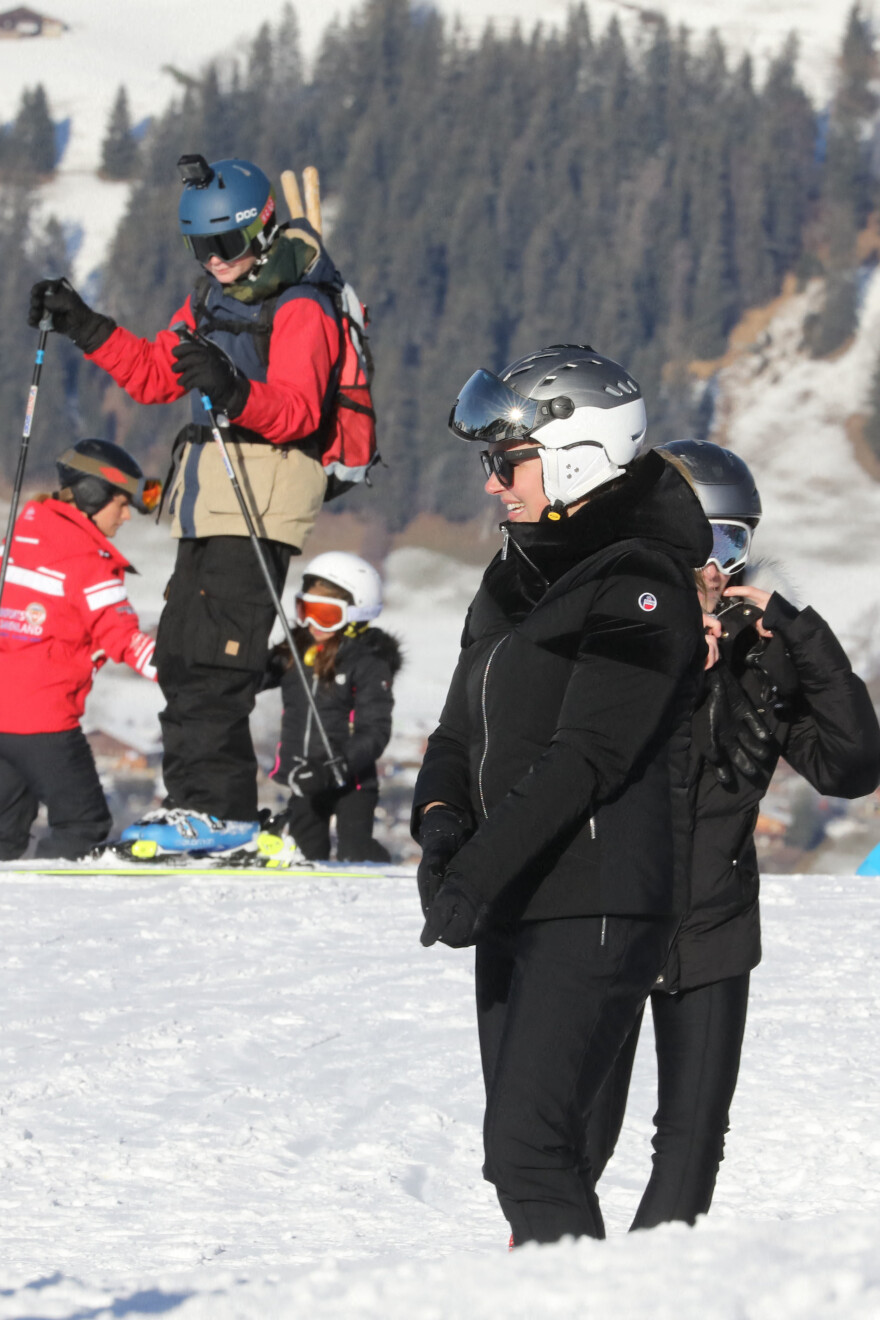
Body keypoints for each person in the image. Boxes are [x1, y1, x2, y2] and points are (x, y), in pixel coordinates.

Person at [410, 344, 713, 1246]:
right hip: (514, 893)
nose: (495, 483)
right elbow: (458, 729)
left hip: (597, 897)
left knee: (532, 1145)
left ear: (578, 456)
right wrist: (439, 830)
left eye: (508, 462)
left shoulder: (640, 583)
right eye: (488, 464)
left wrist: (475, 872)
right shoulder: (512, 575)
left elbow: (589, 757)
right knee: (520, 1156)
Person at [585, 439, 880, 1230]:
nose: (717, 564)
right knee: (578, 1135)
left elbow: (851, 766)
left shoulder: (761, 663)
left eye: (736, 541)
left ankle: (654, 1290)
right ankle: (546, 1274)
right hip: (603, 924)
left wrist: (799, 634)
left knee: (692, 1140)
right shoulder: (603, 635)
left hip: (713, 930)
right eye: (702, 539)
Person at [27, 154, 340, 853]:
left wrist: (231, 388)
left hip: (263, 497)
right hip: (205, 500)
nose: (216, 261)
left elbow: (295, 412)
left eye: (226, 244)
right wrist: (82, 323)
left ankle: (219, 813)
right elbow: (150, 375)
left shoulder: (303, 306)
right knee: (180, 653)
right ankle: (193, 807)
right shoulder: (210, 302)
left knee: (216, 662)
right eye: (202, 248)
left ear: (261, 228)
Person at [0, 439, 160, 859]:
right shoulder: (87, 559)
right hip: (45, 720)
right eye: (121, 504)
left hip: (3, 716)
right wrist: (184, 673)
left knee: (5, 832)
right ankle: (56, 910)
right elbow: (122, 636)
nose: (126, 516)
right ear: (91, 496)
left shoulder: (20, 537)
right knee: (83, 823)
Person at [259, 551, 401, 864]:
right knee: (306, 856)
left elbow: (375, 731)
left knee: (354, 850)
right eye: (304, 610)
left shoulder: (367, 662)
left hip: (350, 779)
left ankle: (385, 872)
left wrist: (333, 768)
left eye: (325, 615)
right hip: (304, 778)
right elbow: (254, 677)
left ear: (355, 614)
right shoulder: (295, 651)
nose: (311, 623)